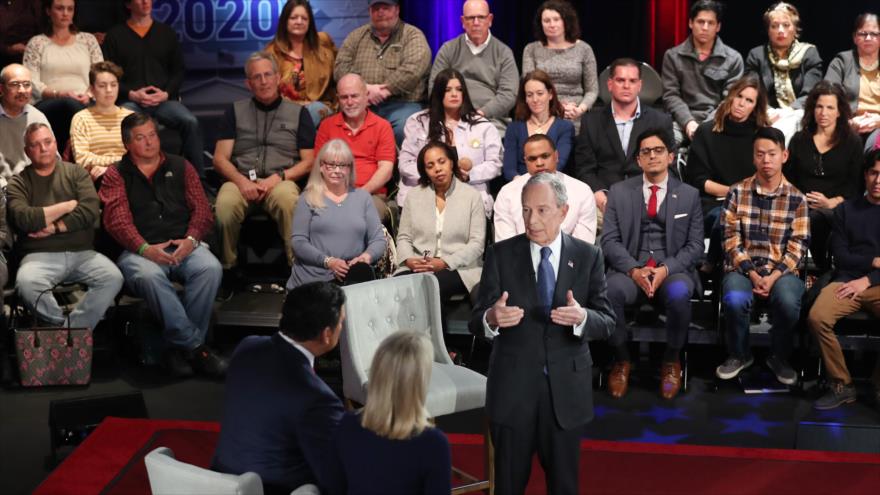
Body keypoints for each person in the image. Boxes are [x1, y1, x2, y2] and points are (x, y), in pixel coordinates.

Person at [471, 171, 615, 495]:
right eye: (525, 210)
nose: (531, 220)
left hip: (565, 394)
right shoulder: (500, 255)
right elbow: (475, 319)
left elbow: (607, 321)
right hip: (512, 391)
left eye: (541, 210)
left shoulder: (588, 256)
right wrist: (492, 318)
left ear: (564, 212)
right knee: (507, 485)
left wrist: (582, 317)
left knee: (564, 486)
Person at [99, 113, 226, 378]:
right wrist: (146, 249)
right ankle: (196, 348)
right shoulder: (116, 174)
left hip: (184, 245)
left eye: (152, 135)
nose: (149, 142)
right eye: (140, 138)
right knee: (149, 276)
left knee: (210, 268)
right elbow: (117, 222)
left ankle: (176, 349)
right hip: (140, 251)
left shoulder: (182, 166)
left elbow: (202, 210)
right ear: (127, 144)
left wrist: (191, 241)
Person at [213, 282, 346, 495]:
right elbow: (334, 477)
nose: (342, 328)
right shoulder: (319, 399)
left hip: (218, 480)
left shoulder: (247, 346)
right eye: (341, 323)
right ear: (327, 334)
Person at [600, 129, 704, 400]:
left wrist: (665, 269)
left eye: (659, 150)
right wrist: (635, 270)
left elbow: (694, 247)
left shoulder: (689, 195)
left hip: (672, 270)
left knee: (681, 292)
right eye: (646, 151)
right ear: (638, 160)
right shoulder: (619, 192)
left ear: (671, 156)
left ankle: (671, 360)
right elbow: (609, 241)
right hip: (631, 269)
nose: (653, 155)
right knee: (610, 291)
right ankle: (621, 359)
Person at [716, 127, 809, 386]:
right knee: (735, 297)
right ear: (753, 157)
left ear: (784, 155)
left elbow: (798, 247)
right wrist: (753, 274)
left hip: (783, 271)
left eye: (772, 154)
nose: (766, 160)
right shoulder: (737, 192)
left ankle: (779, 357)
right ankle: (739, 354)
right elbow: (730, 241)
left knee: (789, 300)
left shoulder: (797, 199)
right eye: (760, 154)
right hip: (743, 268)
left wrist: (774, 276)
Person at [7, 122, 122, 330]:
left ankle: (71, 331)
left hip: (83, 253)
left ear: (55, 144)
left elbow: (89, 211)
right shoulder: (19, 182)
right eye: (35, 145)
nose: (43, 148)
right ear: (27, 151)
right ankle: (62, 329)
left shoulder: (76, 173)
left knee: (113, 277)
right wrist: (68, 206)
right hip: (39, 255)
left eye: (47, 142)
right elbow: (24, 218)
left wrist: (53, 227)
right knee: (26, 283)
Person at [213, 52, 315, 271]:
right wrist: (242, 182)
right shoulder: (234, 111)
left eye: (268, 75)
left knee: (289, 200)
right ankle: (228, 270)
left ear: (278, 77)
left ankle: (298, 269)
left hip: (281, 180)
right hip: (241, 180)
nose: (263, 81)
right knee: (224, 206)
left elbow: (309, 162)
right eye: (256, 77)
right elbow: (220, 159)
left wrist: (278, 178)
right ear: (248, 83)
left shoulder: (299, 113)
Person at [327, 331, 451, 494]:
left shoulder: (346, 425)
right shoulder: (433, 443)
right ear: (419, 382)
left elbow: (334, 487)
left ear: (378, 373)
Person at [807, 150, 880, 410]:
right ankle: (841, 384)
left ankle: (878, 384)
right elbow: (840, 255)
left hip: (875, 284)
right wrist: (872, 261)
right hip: (845, 280)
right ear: (865, 175)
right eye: (874, 173)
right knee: (818, 317)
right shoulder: (846, 210)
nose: (878, 180)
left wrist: (868, 279)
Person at [102, 0, 205, 177]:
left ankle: (198, 180)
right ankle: (127, 178)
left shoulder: (166, 33)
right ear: (128, 4)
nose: (145, 2)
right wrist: (132, 93)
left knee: (190, 122)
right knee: (122, 123)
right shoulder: (115, 35)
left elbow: (178, 70)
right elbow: (109, 74)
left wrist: (166, 94)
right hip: (131, 101)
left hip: (163, 101)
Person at [686, 75, 770, 269]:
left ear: (755, 107)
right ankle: (717, 265)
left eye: (749, 100)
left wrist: (742, 197)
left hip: (752, 204)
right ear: (731, 96)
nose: (741, 103)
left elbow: (767, 178)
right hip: (711, 204)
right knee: (724, 216)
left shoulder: (762, 136)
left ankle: (714, 263)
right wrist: (733, 193)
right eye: (739, 96)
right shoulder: (706, 132)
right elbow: (698, 180)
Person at [572, 58, 674, 214]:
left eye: (632, 81)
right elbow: (585, 168)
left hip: (649, 198)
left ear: (639, 85)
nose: (627, 86)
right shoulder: (591, 121)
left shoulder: (660, 120)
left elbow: (668, 167)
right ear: (610, 84)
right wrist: (599, 194)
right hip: (604, 200)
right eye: (620, 80)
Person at [395, 142, 485, 316]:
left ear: (451, 163)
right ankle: (406, 342)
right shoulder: (414, 196)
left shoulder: (471, 196)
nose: (437, 168)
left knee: (431, 287)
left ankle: (433, 342)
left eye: (441, 162)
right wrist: (409, 260)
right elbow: (404, 237)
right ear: (425, 171)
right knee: (398, 286)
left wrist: (444, 263)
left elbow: (477, 244)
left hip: (459, 267)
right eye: (430, 165)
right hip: (420, 264)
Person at [398, 68, 501, 215]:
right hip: (425, 195)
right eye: (448, 90)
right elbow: (405, 164)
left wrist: (469, 174)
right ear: (439, 93)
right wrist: (432, 175)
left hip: (469, 197)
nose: (454, 94)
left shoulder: (482, 126)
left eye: (459, 89)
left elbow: (495, 164)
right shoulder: (417, 122)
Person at [287, 138, 386, 290]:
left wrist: (365, 257)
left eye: (342, 165)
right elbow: (298, 242)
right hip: (313, 280)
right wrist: (328, 261)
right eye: (331, 165)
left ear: (349, 168)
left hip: (352, 278)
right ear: (321, 167)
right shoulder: (307, 198)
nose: (337, 170)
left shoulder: (363, 198)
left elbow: (378, 240)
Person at [786, 81, 863, 271]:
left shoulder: (852, 142)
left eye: (830, 107)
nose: (823, 112)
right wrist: (801, 201)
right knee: (807, 217)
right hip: (800, 207)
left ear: (839, 112)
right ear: (812, 109)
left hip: (838, 208)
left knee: (817, 218)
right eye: (819, 106)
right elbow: (788, 179)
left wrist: (830, 202)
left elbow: (856, 186)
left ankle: (823, 268)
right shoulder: (799, 139)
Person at [334, 0, 430, 145]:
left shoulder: (413, 35)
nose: (380, 12)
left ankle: (399, 167)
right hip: (361, 104)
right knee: (336, 126)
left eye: (386, 8)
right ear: (370, 11)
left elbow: (413, 70)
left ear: (397, 10)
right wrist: (364, 90)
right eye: (376, 8)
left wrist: (385, 90)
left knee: (404, 128)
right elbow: (340, 68)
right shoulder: (355, 37)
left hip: (404, 104)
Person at [23, 0, 102, 153]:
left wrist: (88, 94)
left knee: (76, 108)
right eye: (60, 8)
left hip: (84, 103)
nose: (65, 13)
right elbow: (30, 80)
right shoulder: (37, 43)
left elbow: (100, 74)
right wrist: (59, 94)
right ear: (48, 11)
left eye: (69, 9)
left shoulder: (88, 40)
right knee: (67, 104)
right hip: (47, 104)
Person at [315, 73, 396, 223]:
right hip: (331, 193)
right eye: (344, 97)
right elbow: (319, 167)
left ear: (366, 96)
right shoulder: (327, 126)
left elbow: (386, 170)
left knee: (364, 216)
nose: (350, 102)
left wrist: (359, 194)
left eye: (354, 96)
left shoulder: (382, 126)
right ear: (338, 99)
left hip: (370, 195)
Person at [661, 0, 744, 146]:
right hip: (681, 121)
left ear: (718, 27)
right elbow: (671, 95)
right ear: (690, 23)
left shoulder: (733, 58)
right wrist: (688, 123)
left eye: (710, 23)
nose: (705, 27)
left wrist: (706, 126)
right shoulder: (673, 56)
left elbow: (730, 99)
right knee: (662, 146)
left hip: (718, 121)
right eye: (700, 22)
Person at [429, 0, 518, 132]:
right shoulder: (448, 49)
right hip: (450, 116)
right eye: (470, 18)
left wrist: (481, 113)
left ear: (490, 20)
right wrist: (453, 114)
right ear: (463, 21)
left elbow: (509, 94)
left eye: (481, 17)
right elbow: (435, 87)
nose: (476, 23)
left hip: (490, 119)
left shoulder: (503, 52)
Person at [744, 2, 822, 144]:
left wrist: (787, 112)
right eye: (774, 26)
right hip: (765, 113)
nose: (780, 30)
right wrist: (767, 112)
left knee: (787, 125)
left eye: (786, 25)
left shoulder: (809, 54)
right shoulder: (756, 55)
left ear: (795, 29)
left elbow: (811, 94)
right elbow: (752, 91)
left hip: (799, 113)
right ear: (768, 30)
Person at [495, 134, 596, 244]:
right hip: (520, 259)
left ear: (556, 156)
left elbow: (583, 247)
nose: (539, 163)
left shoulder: (582, 192)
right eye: (532, 159)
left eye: (545, 156)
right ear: (525, 161)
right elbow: (505, 246)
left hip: (569, 260)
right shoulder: (507, 193)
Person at [522, 0, 597, 132]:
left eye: (556, 19)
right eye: (546, 21)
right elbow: (529, 86)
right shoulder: (531, 49)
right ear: (541, 24)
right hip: (542, 111)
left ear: (565, 21)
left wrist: (580, 110)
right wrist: (556, 107)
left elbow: (592, 90)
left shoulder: (584, 49)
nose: (552, 24)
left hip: (576, 113)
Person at [264, 0, 337, 125]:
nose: (299, 22)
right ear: (285, 21)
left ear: (310, 22)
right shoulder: (272, 52)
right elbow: (268, 91)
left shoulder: (323, 42)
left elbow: (339, 71)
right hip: (285, 110)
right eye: (293, 18)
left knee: (314, 110)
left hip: (320, 107)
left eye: (304, 18)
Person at [502, 70, 574, 181]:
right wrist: (522, 185)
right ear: (525, 98)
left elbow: (559, 163)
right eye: (530, 95)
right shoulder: (514, 128)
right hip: (521, 187)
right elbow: (509, 169)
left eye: (540, 93)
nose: (535, 99)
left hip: (554, 185)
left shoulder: (565, 127)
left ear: (550, 94)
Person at [824, 13, 880, 152]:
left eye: (874, 34)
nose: (868, 38)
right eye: (862, 33)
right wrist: (847, 122)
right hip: (848, 124)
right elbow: (826, 94)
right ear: (855, 37)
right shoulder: (842, 61)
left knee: (875, 145)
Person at [69, 61, 133, 178]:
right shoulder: (81, 118)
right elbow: (82, 159)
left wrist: (112, 168)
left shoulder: (130, 117)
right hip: (96, 177)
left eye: (113, 85)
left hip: (128, 175)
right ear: (92, 89)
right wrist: (117, 164)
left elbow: (139, 155)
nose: (109, 90)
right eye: (102, 86)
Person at [0, 64, 50, 187]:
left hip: (32, 186)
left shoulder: (38, 117)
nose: (22, 90)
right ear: (1, 89)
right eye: (15, 85)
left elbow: (52, 160)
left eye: (27, 84)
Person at [0, 0, 41, 67]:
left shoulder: (32, 4)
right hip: (4, 58)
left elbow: (44, 29)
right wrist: (8, 49)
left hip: (31, 57)